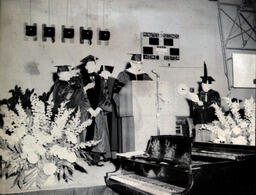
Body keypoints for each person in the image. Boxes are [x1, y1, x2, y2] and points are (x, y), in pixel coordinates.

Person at [75, 55, 111, 165]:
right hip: (86, 111)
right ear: (85, 66)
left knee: (99, 133)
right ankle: (85, 157)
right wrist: (89, 109)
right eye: (89, 64)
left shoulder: (101, 79)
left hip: (98, 111)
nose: (91, 66)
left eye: (93, 64)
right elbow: (77, 95)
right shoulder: (80, 78)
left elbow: (106, 95)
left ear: (96, 66)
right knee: (86, 132)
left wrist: (99, 108)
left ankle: (96, 158)